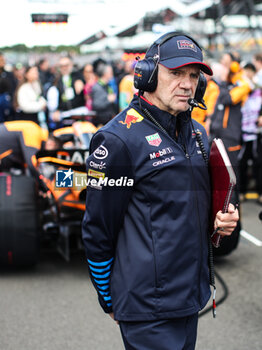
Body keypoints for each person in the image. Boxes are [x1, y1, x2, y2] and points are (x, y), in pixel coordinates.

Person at [82, 32, 239, 350]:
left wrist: (221, 220)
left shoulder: (196, 132)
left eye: (194, 76)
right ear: (148, 75)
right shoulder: (116, 141)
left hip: (190, 298)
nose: (186, 84)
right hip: (146, 310)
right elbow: (98, 230)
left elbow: (195, 205)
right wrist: (109, 299)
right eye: (176, 73)